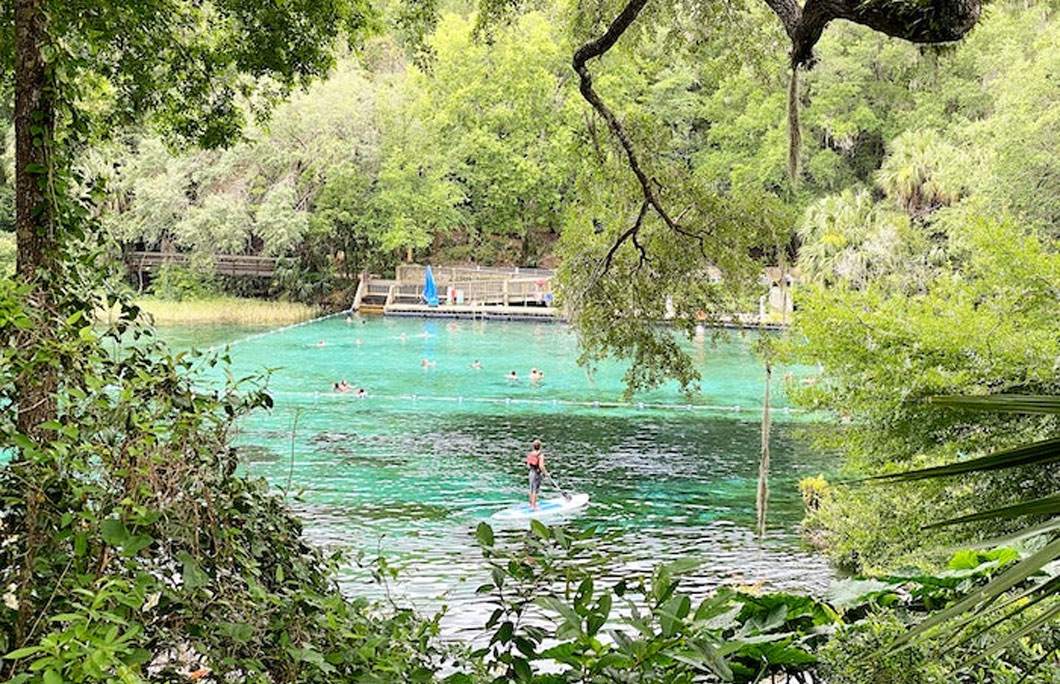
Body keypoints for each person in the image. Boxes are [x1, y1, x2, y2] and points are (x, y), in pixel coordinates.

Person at [526, 439, 547, 510]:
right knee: (535, 490)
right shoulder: (540, 455)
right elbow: (541, 466)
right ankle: (534, 507)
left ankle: (531, 504)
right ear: (540, 446)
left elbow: (528, 465)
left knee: (531, 489)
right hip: (536, 474)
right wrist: (546, 473)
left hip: (531, 473)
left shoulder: (530, 454)